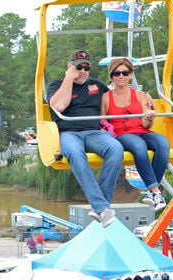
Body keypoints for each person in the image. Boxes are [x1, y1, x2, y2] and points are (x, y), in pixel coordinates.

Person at [47, 50, 123, 226]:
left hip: (93, 131)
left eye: (86, 67)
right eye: (78, 67)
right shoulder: (57, 85)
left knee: (116, 148)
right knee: (75, 153)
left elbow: (118, 101)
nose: (82, 71)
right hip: (69, 132)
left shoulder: (97, 86)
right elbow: (58, 105)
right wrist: (68, 78)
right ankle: (103, 207)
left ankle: (100, 207)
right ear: (70, 66)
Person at [99, 57, 170, 211]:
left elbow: (146, 123)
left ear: (130, 75)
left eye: (125, 73)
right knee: (139, 146)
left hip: (142, 130)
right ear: (111, 76)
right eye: (117, 73)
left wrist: (150, 117)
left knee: (163, 144)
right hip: (122, 133)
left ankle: (152, 193)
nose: (121, 77)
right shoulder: (106, 98)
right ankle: (156, 191)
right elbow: (103, 122)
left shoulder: (139, 95)